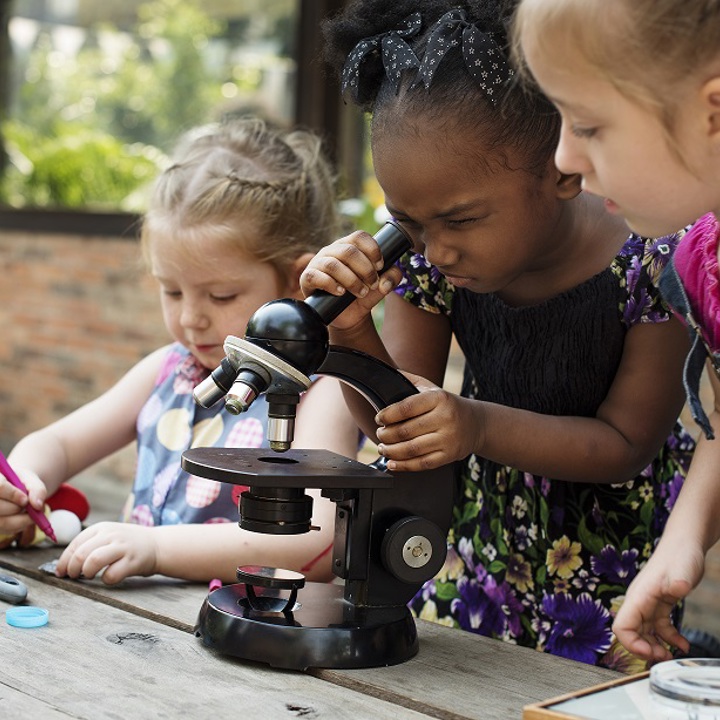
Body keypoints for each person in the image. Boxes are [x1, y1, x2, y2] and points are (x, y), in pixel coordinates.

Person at [300, 0, 696, 670]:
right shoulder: (427, 257)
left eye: (461, 219)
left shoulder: (653, 262)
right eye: (409, 221)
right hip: (473, 540)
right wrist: (352, 336)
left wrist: (474, 426)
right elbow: (398, 422)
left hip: (607, 566)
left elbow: (626, 445)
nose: (436, 248)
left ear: (561, 170)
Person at [0, 118, 359, 585]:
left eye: (221, 296)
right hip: (140, 627)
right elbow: (61, 443)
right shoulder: (169, 369)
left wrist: (154, 548)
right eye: (172, 292)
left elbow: (317, 542)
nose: (191, 318)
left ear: (296, 280)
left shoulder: (322, 391)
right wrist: (23, 481)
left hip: (247, 632)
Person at [512, 0, 720, 665]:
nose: (565, 158)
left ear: (713, 112)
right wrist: (682, 541)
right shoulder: (703, 262)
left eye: (589, 125)